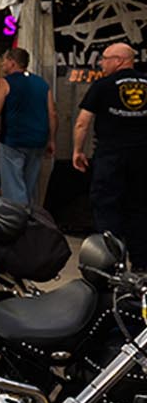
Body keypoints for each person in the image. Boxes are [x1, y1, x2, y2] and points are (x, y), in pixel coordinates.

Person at [74, 41, 147, 260]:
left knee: (106, 207)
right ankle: (141, 262)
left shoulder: (103, 85)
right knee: (140, 207)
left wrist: (77, 150)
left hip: (111, 156)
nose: (101, 63)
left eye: (105, 59)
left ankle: (111, 261)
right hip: (143, 156)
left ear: (119, 61)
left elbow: (82, 122)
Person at [0, 46, 52, 207]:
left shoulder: (4, 83)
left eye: (4, 61)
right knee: (29, 184)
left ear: (12, 62)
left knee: (13, 185)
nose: (2, 64)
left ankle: (17, 219)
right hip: (38, 140)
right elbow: (53, 113)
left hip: (14, 139)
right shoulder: (42, 84)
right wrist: (51, 140)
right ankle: (29, 215)